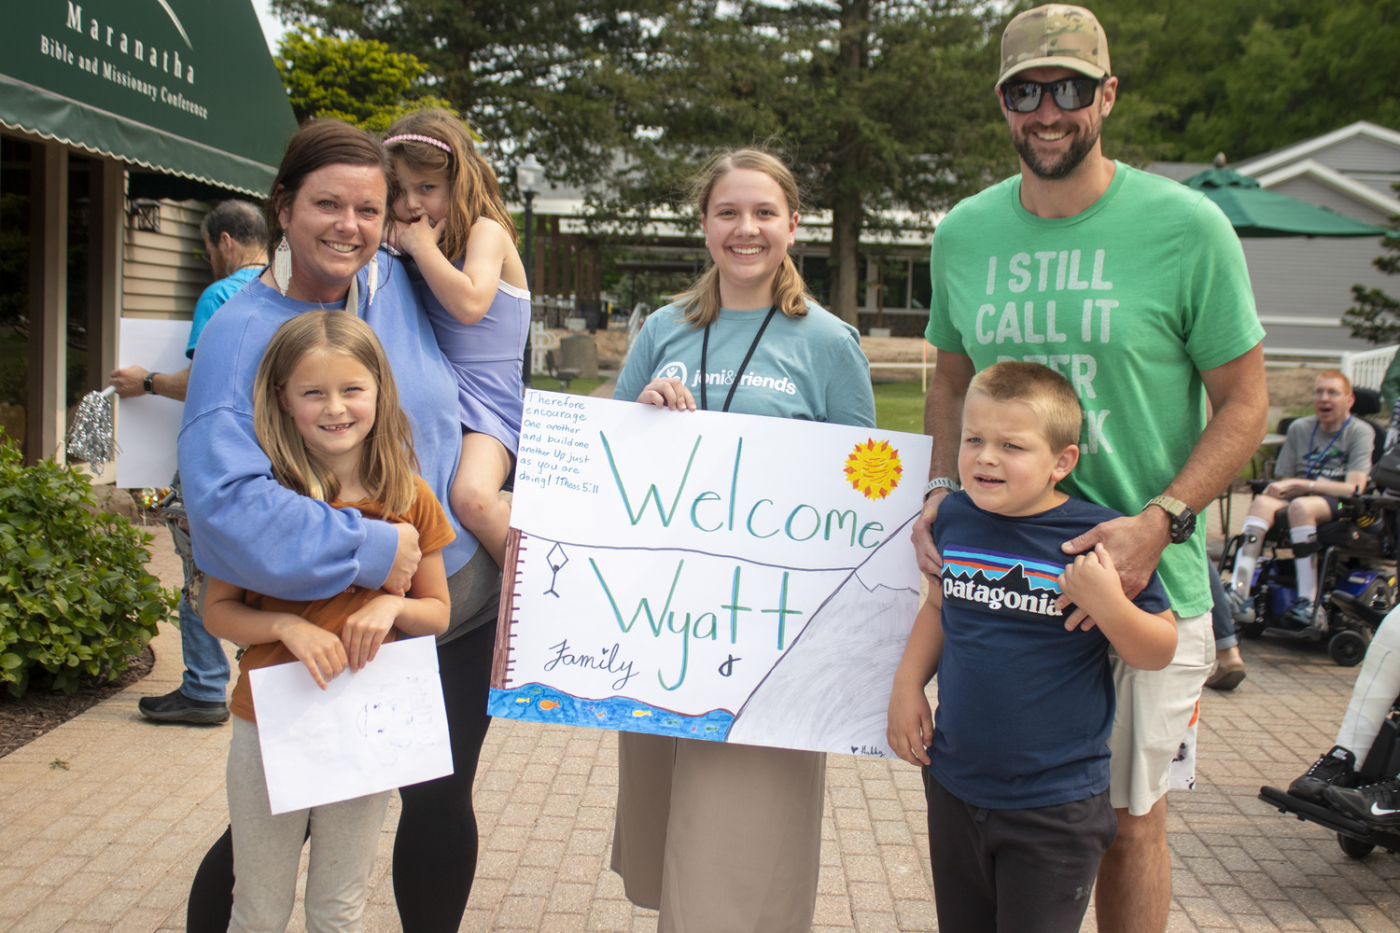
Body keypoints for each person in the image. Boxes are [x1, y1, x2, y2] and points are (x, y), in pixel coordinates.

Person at [911, 6, 1269, 931]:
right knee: (1016, 816)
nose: (1047, 110)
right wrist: (942, 488)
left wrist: (1161, 520)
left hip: (1147, 578)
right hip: (1009, 588)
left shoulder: (1187, 228)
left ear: (1106, 95)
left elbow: (1246, 403)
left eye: (1068, 88)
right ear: (1004, 102)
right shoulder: (964, 232)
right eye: (1025, 91)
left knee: (1126, 824)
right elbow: (948, 379)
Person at [179, 119, 501, 933]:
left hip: (443, 601)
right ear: (282, 206)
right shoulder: (243, 332)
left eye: (368, 208)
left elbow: (494, 361)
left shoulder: (393, 280)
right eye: (327, 204)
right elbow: (225, 508)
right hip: (320, 628)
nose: (349, 227)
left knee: (429, 803)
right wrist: (378, 548)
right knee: (276, 830)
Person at [610, 148, 875, 933]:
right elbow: (609, 466)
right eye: (728, 212)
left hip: (772, 638)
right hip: (669, 628)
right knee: (675, 835)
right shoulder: (662, 329)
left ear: (794, 225)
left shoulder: (829, 343)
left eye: (764, 212)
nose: (746, 228)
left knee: (740, 850)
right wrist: (643, 417)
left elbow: (864, 491)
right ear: (704, 225)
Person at [888, 361, 1177, 933]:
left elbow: (1158, 649)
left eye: (1011, 445)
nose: (985, 457)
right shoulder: (954, 518)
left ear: (1061, 462)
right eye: (973, 439)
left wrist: (1110, 604)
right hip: (954, 785)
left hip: (1056, 807)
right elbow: (939, 607)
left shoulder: (1097, 540)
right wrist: (905, 686)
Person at [204, 311, 452, 933]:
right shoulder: (258, 497)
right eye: (313, 392)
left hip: (366, 719)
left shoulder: (411, 495)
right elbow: (218, 610)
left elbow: (438, 612)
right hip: (268, 723)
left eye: (351, 389)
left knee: (339, 905)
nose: (335, 407)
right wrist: (287, 627)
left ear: (379, 392)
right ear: (283, 400)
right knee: (258, 903)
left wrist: (392, 605)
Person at [113, 198, 269, 725]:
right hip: (271, 458)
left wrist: (147, 382)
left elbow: (206, 383)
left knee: (200, 574)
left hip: (216, 457)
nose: (210, 260)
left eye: (207, 250)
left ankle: (203, 687)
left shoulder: (222, 293)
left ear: (224, 242)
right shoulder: (284, 288)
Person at [382, 109, 529, 569]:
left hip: (489, 407)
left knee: (472, 499)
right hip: (437, 400)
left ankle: (527, 585)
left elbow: (469, 305)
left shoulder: (487, 233)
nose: (412, 206)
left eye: (426, 188)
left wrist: (422, 248)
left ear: (458, 183)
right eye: (398, 192)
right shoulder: (409, 244)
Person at [1226, 370, 1373, 628]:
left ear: (1349, 400)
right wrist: (1288, 487)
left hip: (1343, 505)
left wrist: (1301, 485)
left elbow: (1354, 487)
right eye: (1319, 392)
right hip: (1301, 498)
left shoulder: (1361, 432)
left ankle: (1308, 602)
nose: (1323, 398)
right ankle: (1240, 592)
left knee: (1300, 507)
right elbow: (1284, 479)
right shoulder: (1300, 428)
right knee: (1262, 502)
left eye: (1332, 393)